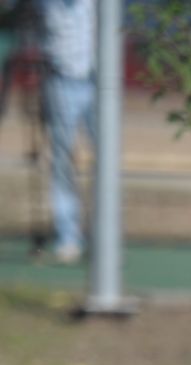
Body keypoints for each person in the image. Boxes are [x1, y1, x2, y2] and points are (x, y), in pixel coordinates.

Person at [36, 0, 93, 264]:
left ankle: (103, 236)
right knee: (61, 160)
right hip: (61, 80)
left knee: (106, 161)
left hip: (98, 82)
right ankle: (68, 237)